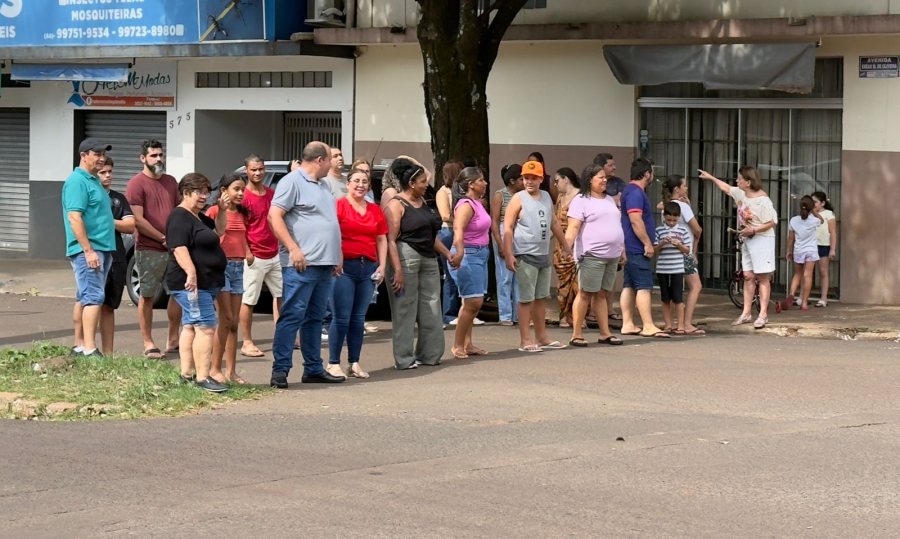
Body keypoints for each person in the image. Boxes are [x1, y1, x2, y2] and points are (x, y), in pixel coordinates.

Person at [268, 142, 346, 389]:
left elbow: (328, 222)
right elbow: (274, 215)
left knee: (314, 318)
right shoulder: (292, 181)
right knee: (292, 315)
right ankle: (280, 370)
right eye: (331, 158)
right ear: (320, 160)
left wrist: (337, 253)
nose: (334, 163)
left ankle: (313, 368)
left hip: (324, 263)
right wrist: (293, 248)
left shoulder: (323, 185)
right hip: (302, 264)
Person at [385, 158, 452, 369]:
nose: (426, 185)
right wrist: (397, 271)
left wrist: (447, 254)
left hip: (429, 259)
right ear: (412, 183)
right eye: (423, 181)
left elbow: (430, 237)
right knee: (405, 307)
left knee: (432, 306)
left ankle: (429, 354)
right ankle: (404, 359)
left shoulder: (422, 202)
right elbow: (390, 240)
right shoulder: (395, 204)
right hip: (406, 259)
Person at [166, 173, 229, 393]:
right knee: (206, 326)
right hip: (193, 283)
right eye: (199, 192)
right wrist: (191, 273)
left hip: (207, 282)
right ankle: (203, 377)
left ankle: (186, 374)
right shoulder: (179, 217)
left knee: (191, 325)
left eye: (206, 192)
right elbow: (178, 247)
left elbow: (219, 231)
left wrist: (221, 210)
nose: (204, 196)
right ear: (185, 193)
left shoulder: (199, 217)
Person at [503, 160, 571, 353]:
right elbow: (507, 227)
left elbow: (555, 223)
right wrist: (508, 253)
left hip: (542, 253)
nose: (529, 182)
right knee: (526, 298)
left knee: (541, 297)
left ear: (541, 178)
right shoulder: (518, 198)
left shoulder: (547, 196)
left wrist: (566, 246)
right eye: (526, 178)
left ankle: (542, 337)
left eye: (533, 178)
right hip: (525, 253)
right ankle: (525, 339)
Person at [328, 168, 388, 379]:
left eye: (364, 181)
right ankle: (333, 362)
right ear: (348, 183)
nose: (361, 185)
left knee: (358, 318)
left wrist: (382, 265)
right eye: (356, 181)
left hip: (368, 267)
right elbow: (332, 235)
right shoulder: (338, 206)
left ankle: (354, 362)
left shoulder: (375, 209)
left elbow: (381, 238)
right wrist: (337, 257)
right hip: (344, 268)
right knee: (341, 317)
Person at [699, 166, 777, 329]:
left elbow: (772, 222)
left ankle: (763, 315)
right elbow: (727, 188)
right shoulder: (741, 193)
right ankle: (746, 313)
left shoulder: (762, 200)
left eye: (740, 178)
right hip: (748, 239)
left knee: (762, 277)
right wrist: (711, 177)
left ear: (748, 182)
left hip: (762, 240)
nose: (737, 181)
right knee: (748, 275)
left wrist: (754, 229)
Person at [125, 139, 182, 359]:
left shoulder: (170, 181)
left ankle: (173, 338)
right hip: (149, 248)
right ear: (143, 158)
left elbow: (178, 210)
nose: (158, 159)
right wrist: (162, 238)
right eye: (153, 155)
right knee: (147, 296)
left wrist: (176, 238)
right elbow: (137, 219)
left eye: (160, 155)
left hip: (174, 247)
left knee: (178, 292)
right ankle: (148, 343)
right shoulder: (136, 184)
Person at [64, 138, 115, 358]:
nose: (101, 158)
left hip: (102, 248)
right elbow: (74, 217)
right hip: (91, 250)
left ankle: (80, 345)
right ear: (83, 156)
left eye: (103, 153)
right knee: (93, 297)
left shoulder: (93, 180)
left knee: (85, 296)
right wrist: (88, 250)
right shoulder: (78, 181)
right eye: (97, 154)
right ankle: (89, 348)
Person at [565, 163, 625, 347]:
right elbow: (573, 227)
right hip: (592, 254)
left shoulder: (608, 200)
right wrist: (567, 249)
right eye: (600, 177)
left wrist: (622, 249)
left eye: (605, 177)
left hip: (612, 255)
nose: (604, 180)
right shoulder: (581, 200)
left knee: (602, 294)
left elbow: (616, 226)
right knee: (585, 294)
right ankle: (577, 334)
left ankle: (605, 333)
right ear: (589, 180)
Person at [206, 174, 250, 384]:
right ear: (224, 190)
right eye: (236, 189)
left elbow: (243, 238)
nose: (241, 193)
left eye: (243, 189)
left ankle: (231, 371)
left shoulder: (242, 213)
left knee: (234, 323)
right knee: (225, 319)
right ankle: (215, 369)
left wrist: (248, 251)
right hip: (221, 268)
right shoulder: (215, 211)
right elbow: (208, 237)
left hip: (238, 267)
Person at [238, 155, 285, 358]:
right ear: (246, 171)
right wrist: (247, 251)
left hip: (274, 253)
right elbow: (239, 227)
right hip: (254, 256)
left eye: (260, 169)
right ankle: (247, 342)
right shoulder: (243, 196)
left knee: (281, 295)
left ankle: (284, 336)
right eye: (253, 169)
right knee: (249, 300)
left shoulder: (272, 194)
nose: (257, 173)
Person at [619, 158, 669, 338]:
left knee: (630, 285)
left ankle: (628, 323)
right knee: (644, 285)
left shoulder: (631, 191)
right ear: (647, 173)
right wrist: (647, 243)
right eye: (651, 172)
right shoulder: (635, 193)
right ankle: (648, 325)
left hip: (630, 246)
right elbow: (635, 219)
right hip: (636, 247)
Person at [448, 167, 491, 359]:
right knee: (473, 302)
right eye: (481, 180)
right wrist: (460, 251)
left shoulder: (477, 203)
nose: (485, 183)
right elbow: (458, 229)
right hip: (469, 255)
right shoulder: (465, 205)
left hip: (481, 254)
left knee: (470, 302)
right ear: (471, 184)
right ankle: (457, 346)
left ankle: (467, 344)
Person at [95, 157, 135, 355]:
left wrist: (108, 220)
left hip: (117, 256)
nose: (108, 175)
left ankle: (108, 354)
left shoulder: (119, 198)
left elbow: (130, 225)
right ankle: (86, 347)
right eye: (103, 172)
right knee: (91, 303)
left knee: (110, 305)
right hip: (95, 256)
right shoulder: (89, 196)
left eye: (110, 171)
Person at [660, 175, 705, 335]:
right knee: (695, 286)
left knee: (671, 291)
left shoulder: (667, 206)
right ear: (677, 189)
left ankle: (670, 323)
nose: (686, 188)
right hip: (684, 251)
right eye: (684, 186)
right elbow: (697, 229)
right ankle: (686, 323)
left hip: (669, 254)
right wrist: (695, 246)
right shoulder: (683, 207)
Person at [593, 152, 625, 322]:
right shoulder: (590, 188)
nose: (614, 168)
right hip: (596, 242)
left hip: (616, 234)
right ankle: (592, 310)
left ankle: (609, 307)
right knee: (593, 278)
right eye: (610, 165)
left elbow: (623, 200)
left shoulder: (619, 182)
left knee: (611, 275)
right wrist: (614, 199)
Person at [490, 164, 523, 326]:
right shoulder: (500, 195)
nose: (525, 182)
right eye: (521, 179)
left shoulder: (524, 195)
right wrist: (500, 243)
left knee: (519, 278)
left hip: (520, 236)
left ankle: (519, 314)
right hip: (504, 234)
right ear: (512, 181)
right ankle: (505, 315)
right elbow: (495, 221)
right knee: (504, 277)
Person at [654, 203, 692, 333]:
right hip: (662, 268)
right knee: (665, 298)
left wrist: (679, 245)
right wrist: (662, 243)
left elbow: (687, 250)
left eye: (674, 220)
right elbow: (654, 249)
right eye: (668, 220)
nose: (671, 223)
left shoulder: (683, 230)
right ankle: (668, 324)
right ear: (664, 216)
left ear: (679, 218)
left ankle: (680, 325)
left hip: (677, 269)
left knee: (678, 298)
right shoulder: (659, 230)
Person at [553, 168, 581, 329]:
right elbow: (555, 222)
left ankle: (577, 316)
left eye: (557, 181)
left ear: (566, 179)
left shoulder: (581, 197)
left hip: (577, 243)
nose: (555, 185)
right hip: (560, 244)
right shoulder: (560, 197)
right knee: (563, 283)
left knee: (578, 282)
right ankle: (564, 315)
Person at [436, 160, 463, 326]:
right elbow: (445, 215)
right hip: (448, 232)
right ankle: (449, 314)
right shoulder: (443, 192)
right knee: (451, 275)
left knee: (461, 275)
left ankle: (462, 311)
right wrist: (463, 220)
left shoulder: (460, 191)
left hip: (459, 232)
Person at [786, 196, 825, 311]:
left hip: (799, 250)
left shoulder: (794, 220)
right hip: (811, 251)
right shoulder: (814, 220)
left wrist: (789, 251)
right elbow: (822, 220)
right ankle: (804, 303)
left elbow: (791, 239)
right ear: (811, 207)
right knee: (807, 275)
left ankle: (792, 294)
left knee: (797, 274)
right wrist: (813, 210)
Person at [811, 191, 837, 307]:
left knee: (823, 272)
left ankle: (823, 298)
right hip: (810, 245)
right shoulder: (810, 214)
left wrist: (832, 249)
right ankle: (802, 297)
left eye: (815, 202)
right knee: (807, 272)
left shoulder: (829, 214)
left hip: (823, 245)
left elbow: (833, 232)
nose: (813, 204)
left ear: (822, 203)